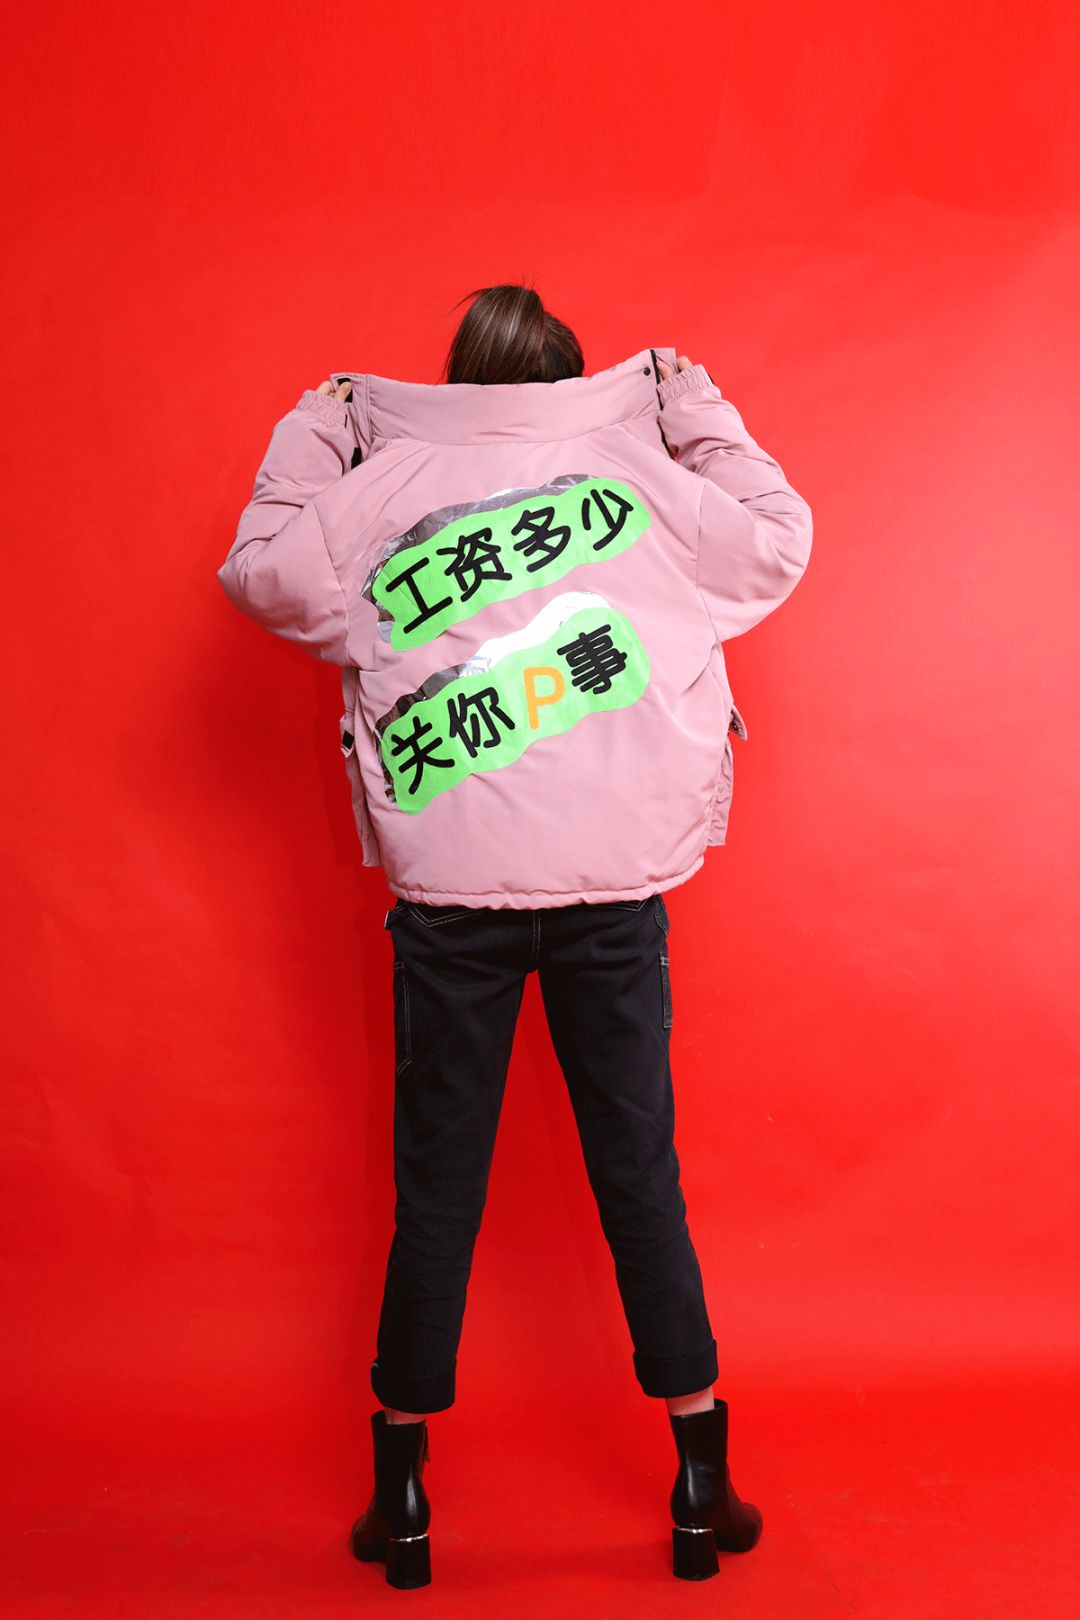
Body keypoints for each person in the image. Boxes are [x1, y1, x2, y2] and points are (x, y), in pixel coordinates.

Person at [216, 284, 813, 1587]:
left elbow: (260, 570)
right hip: (612, 894)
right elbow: (779, 538)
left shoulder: (382, 488)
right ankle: (700, 1480)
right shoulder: (642, 478)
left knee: (436, 1189)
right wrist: (690, 401)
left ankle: (403, 1498)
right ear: (579, 377)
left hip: (451, 906)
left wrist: (321, 424)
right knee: (640, 1177)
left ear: (457, 378)